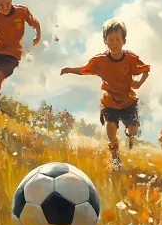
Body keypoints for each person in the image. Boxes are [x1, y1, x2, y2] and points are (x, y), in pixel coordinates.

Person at [60, 19, 150, 169]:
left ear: (124, 41)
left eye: (117, 40)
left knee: (133, 130)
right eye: (110, 40)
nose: (114, 43)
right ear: (105, 41)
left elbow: (146, 70)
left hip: (128, 101)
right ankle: (115, 159)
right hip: (110, 102)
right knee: (110, 131)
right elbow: (83, 69)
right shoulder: (100, 60)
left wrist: (139, 83)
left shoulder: (130, 59)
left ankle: (129, 137)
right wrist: (69, 69)